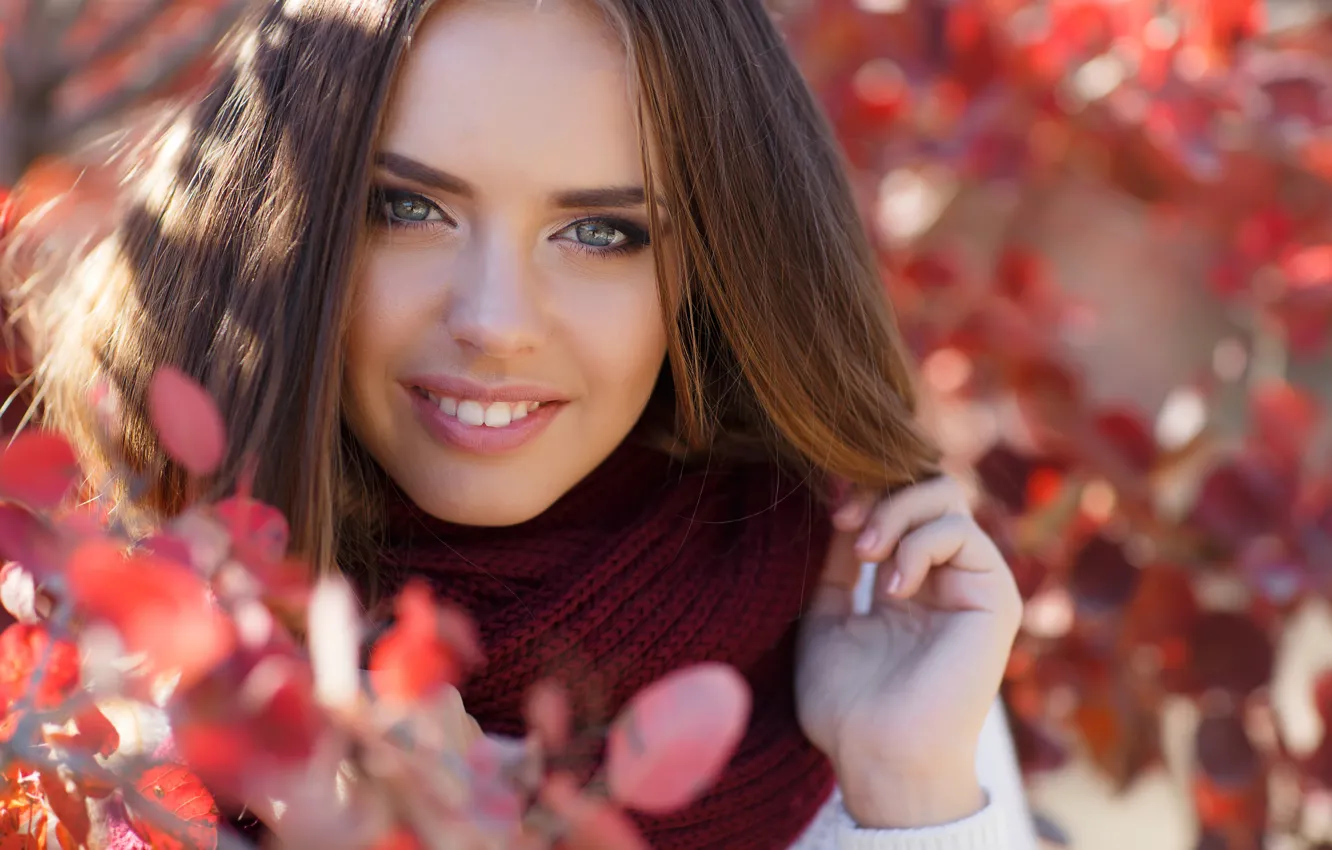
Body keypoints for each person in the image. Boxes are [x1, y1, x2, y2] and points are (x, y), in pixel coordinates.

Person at [7, 0, 1040, 847]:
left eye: (601, 231)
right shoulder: (80, 684)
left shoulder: (860, 641)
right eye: (407, 208)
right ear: (283, 215)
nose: (495, 322)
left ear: (713, 271)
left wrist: (909, 790)